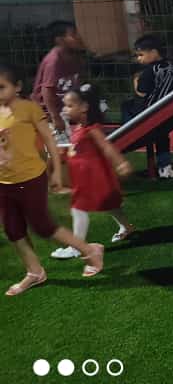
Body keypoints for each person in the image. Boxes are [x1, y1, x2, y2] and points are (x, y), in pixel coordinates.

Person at [0, 63, 104, 295]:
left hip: (30, 178)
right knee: (13, 229)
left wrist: (56, 171)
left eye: (1, 87)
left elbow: (49, 141)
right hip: (4, 182)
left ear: (17, 86)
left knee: (43, 226)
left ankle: (90, 250)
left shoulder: (29, 109)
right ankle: (34, 272)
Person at [50, 84, 135, 260]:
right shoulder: (80, 128)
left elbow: (106, 146)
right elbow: (78, 149)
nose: (65, 109)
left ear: (84, 107)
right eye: (65, 105)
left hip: (93, 178)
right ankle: (126, 227)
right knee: (110, 203)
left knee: (78, 209)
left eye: (69, 105)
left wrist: (121, 162)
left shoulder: (91, 129)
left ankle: (77, 247)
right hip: (88, 177)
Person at [31, 20, 85, 191]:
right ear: (60, 40)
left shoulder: (74, 57)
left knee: (67, 145)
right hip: (48, 110)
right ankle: (53, 183)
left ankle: (59, 180)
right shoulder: (54, 61)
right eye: (73, 35)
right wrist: (55, 118)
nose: (77, 37)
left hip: (65, 108)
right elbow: (47, 91)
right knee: (59, 148)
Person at [131, 34, 173, 179]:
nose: (139, 59)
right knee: (162, 137)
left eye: (141, 55)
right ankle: (165, 167)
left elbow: (141, 93)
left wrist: (135, 80)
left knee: (126, 106)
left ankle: (128, 128)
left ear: (153, 52)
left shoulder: (148, 72)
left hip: (149, 111)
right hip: (167, 109)